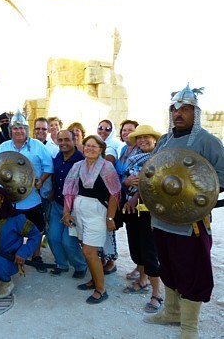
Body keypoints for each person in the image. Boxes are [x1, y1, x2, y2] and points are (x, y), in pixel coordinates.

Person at [144, 85, 224, 339]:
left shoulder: (208, 141)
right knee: (168, 266)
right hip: (161, 218)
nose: (179, 114)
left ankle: (190, 327)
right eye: (175, 109)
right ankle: (171, 311)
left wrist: (198, 196)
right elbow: (153, 172)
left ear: (195, 112)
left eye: (185, 109)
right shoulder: (164, 141)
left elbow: (221, 177)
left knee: (192, 271)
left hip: (191, 222)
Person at [62, 135, 121, 304]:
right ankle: (94, 280)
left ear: (101, 149)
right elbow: (69, 190)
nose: (90, 148)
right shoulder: (78, 166)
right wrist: (67, 212)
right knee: (85, 249)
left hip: (97, 212)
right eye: (87, 145)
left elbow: (114, 194)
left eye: (94, 146)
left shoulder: (107, 167)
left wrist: (110, 217)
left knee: (90, 251)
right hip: (79, 209)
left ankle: (101, 289)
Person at [0, 109, 53, 271]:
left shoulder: (38, 146)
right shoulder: (4, 147)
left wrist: (41, 180)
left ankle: (36, 256)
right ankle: (14, 253)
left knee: (36, 229)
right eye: (15, 128)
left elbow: (49, 166)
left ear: (26, 130)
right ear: (10, 130)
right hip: (10, 198)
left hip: (32, 197)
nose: (18, 131)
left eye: (21, 128)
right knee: (11, 228)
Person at [120, 125, 163, 313]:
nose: (142, 140)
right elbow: (128, 179)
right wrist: (125, 182)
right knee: (136, 247)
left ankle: (156, 294)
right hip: (132, 210)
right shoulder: (134, 157)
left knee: (150, 251)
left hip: (150, 212)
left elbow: (152, 184)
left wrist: (136, 196)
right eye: (139, 138)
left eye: (146, 137)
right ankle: (143, 280)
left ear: (154, 139)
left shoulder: (160, 158)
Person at [46, 129, 87, 278]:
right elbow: (55, 176)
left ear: (74, 140)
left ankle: (80, 266)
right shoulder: (58, 157)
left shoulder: (81, 160)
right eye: (60, 140)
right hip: (57, 204)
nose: (63, 143)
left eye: (66, 140)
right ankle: (61, 264)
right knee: (52, 237)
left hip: (74, 208)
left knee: (68, 242)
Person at [115, 119, 140, 280]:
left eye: (130, 130)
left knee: (139, 236)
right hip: (124, 196)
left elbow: (139, 178)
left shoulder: (140, 151)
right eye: (124, 130)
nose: (126, 133)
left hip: (136, 199)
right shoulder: (124, 149)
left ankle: (143, 271)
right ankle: (139, 266)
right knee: (132, 234)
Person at [96, 118, 121, 274]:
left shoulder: (113, 146)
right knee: (98, 228)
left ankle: (111, 260)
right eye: (101, 127)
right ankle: (102, 258)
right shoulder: (96, 143)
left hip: (108, 192)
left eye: (107, 128)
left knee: (108, 228)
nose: (103, 131)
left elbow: (108, 165)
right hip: (97, 192)